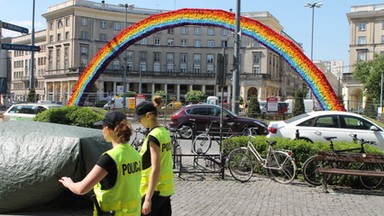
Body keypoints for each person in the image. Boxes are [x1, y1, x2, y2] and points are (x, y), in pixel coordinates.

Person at [59, 111, 142, 216]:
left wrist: (68, 183)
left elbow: (81, 189)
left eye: (102, 127)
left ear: (107, 130)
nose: (102, 131)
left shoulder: (110, 158)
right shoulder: (135, 154)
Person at [134, 101, 175, 216]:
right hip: (165, 188)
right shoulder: (164, 132)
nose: (139, 121)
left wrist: (147, 199)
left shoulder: (153, 137)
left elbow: (156, 168)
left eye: (140, 118)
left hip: (154, 191)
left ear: (148, 116)